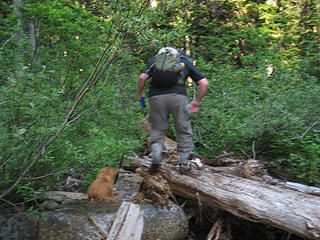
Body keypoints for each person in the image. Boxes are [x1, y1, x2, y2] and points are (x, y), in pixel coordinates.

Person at [137, 47, 209, 174]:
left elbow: (142, 78)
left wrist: (139, 93)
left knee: (157, 129)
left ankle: (156, 155)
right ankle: (183, 162)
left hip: (156, 98)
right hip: (179, 98)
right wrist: (196, 101)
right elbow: (204, 83)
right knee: (183, 130)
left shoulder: (154, 61)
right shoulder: (184, 62)